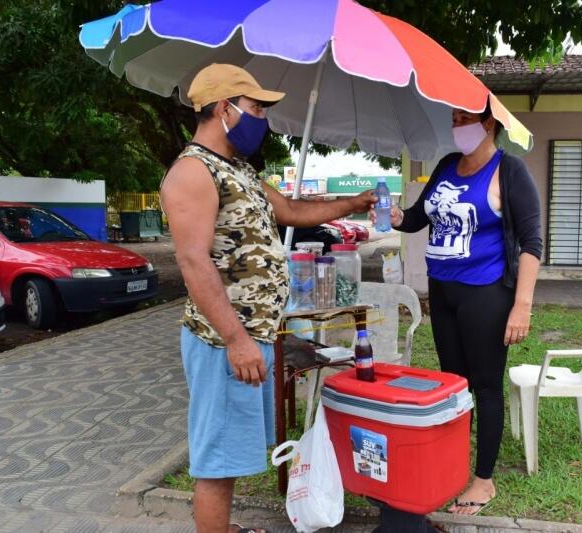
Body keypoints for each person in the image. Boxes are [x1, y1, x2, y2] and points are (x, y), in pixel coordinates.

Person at [160, 63, 376, 533]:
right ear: (225, 109)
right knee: (216, 458)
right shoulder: (192, 173)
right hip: (223, 342)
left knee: (233, 449)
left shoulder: (239, 169)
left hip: (252, 335)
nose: (263, 117)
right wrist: (237, 340)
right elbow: (194, 262)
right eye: (256, 107)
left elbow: (294, 211)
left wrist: (352, 205)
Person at [372, 101, 542, 515]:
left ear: (489, 124)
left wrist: (522, 307)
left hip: (486, 294)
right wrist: (394, 215)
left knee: (484, 386)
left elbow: (533, 243)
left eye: (465, 119)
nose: (457, 127)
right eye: (454, 120)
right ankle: (454, 466)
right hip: (443, 294)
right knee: (453, 384)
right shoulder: (448, 165)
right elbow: (417, 218)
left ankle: (483, 482)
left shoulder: (509, 170)